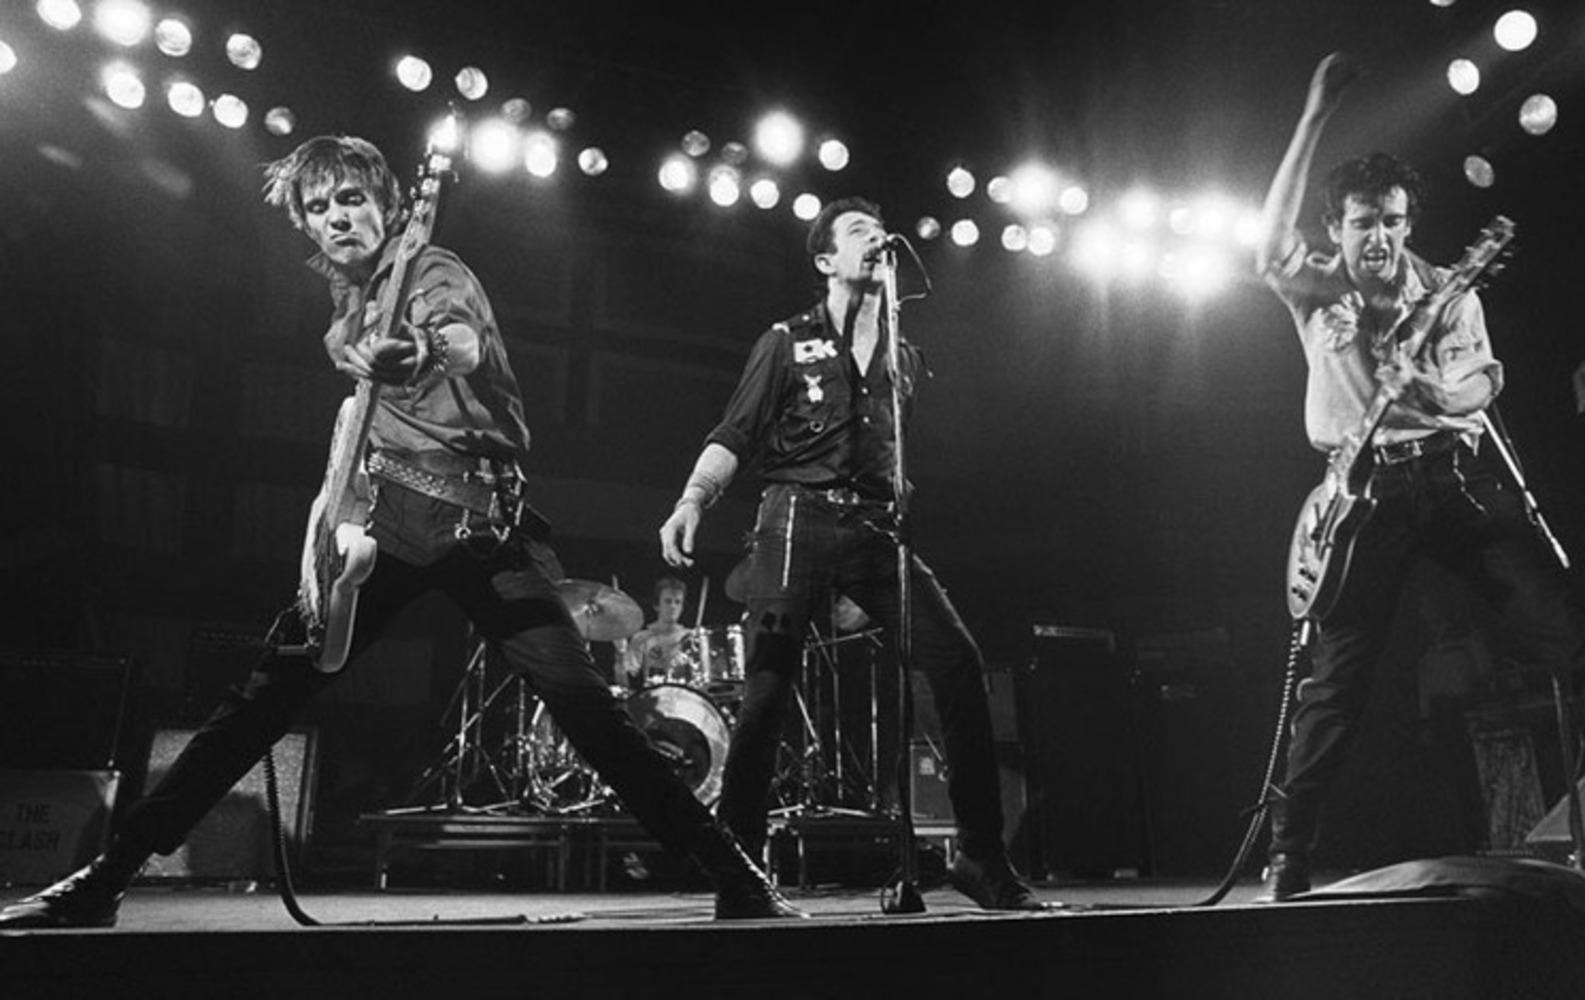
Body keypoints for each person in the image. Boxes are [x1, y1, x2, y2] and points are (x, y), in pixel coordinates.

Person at [0, 135, 797, 928]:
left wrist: (413, 347)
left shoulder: (434, 269)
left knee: (588, 709)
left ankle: (733, 872)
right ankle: (108, 875)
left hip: (484, 525)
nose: (338, 217)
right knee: (263, 699)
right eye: (319, 207)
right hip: (385, 523)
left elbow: (463, 340)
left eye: (352, 199)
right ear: (304, 226)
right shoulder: (343, 316)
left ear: (386, 203)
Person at [1253, 54, 1583, 901]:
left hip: (1452, 482)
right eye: (1364, 222)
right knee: (1338, 684)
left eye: (1393, 221)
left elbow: (1480, 380)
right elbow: (1265, 243)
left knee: (1568, 638)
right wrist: (1313, 111)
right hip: (1360, 499)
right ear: (1338, 228)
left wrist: (1439, 390)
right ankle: (1289, 853)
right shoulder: (1315, 286)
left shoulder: (1446, 290)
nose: (1380, 238)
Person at [659, 196, 1046, 912]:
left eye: (879, 229)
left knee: (956, 662)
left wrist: (896, 485)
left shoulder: (903, 353)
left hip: (874, 532)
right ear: (826, 259)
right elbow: (736, 431)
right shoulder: (785, 340)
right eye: (859, 232)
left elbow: (892, 450)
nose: (876, 239)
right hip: (794, 519)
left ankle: (980, 857)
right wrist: (691, 500)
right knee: (767, 692)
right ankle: (737, 872)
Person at [617, 576, 694, 688]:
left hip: (685, 699)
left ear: (682, 608)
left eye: (677, 602)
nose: (673, 606)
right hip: (653, 699)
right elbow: (623, 683)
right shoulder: (641, 638)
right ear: (657, 605)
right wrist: (620, 653)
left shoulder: (690, 637)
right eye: (668, 601)